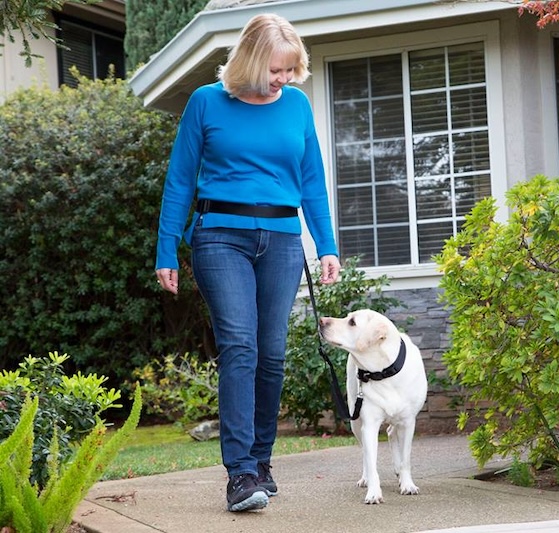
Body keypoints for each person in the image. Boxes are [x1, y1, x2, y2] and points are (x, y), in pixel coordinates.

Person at [154, 13, 341, 513]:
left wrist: (326, 245)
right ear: (251, 61)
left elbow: (312, 183)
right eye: (275, 70)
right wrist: (166, 248)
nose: (282, 79)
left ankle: (261, 460)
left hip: (281, 239)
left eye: (290, 70)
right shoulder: (206, 103)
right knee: (239, 345)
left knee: (272, 352)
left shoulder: (297, 106)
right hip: (219, 236)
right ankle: (239, 473)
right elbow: (179, 181)